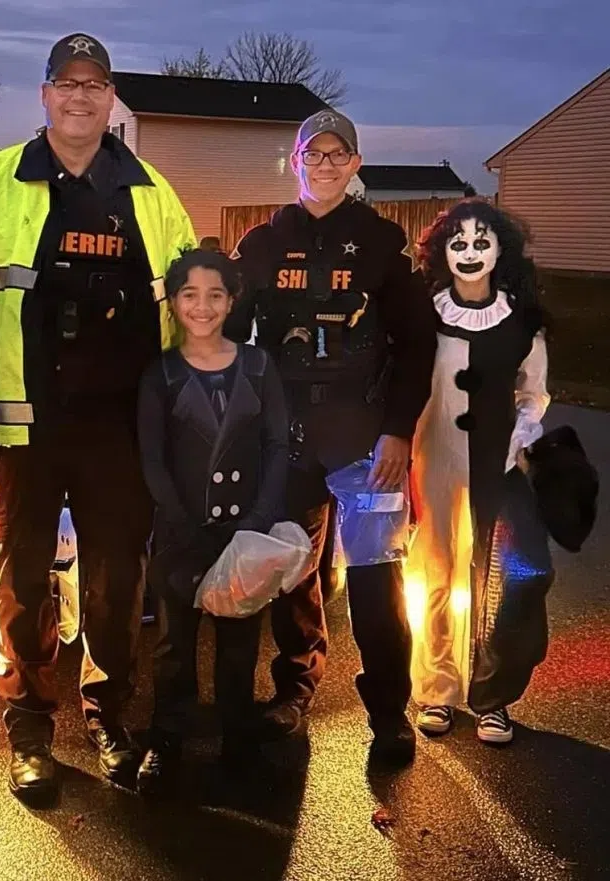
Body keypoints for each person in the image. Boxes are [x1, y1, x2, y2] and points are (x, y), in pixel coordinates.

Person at [0, 32, 196, 800]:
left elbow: (191, 313)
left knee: (118, 587)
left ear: (111, 99)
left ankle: (109, 716)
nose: (81, 96)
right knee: (23, 583)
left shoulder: (152, 194)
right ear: (44, 95)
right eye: (66, 83)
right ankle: (29, 729)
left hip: (121, 431)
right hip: (24, 431)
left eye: (95, 83)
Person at [226, 109, 437, 764]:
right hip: (286, 440)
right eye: (311, 155)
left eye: (335, 155)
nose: (323, 166)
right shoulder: (262, 244)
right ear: (295, 163)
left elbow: (418, 342)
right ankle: (294, 690)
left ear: (354, 166)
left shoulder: (378, 244)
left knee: (376, 583)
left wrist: (399, 431)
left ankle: (388, 713)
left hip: (364, 442)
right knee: (292, 574)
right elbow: (228, 338)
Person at [135, 249, 289, 793]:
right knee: (175, 644)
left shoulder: (258, 365)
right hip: (183, 534)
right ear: (174, 303)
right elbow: (152, 459)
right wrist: (185, 526)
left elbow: (276, 445)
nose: (203, 307)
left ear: (231, 300)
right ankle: (166, 737)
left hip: (245, 534)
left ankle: (238, 740)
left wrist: (258, 520)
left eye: (215, 295)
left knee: (240, 642)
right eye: (190, 295)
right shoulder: (162, 374)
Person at [408, 199, 550, 745]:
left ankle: (492, 697)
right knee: (434, 572)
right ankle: (436, 689)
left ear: (500, 250)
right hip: (435, 455)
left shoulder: (521, 319)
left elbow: (533, 391)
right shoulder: (426, 312)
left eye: (481, 242)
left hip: (499, 461)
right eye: (458, 243)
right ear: (443, 251)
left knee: (500, 580)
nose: (470, 252)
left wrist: (525, 427)